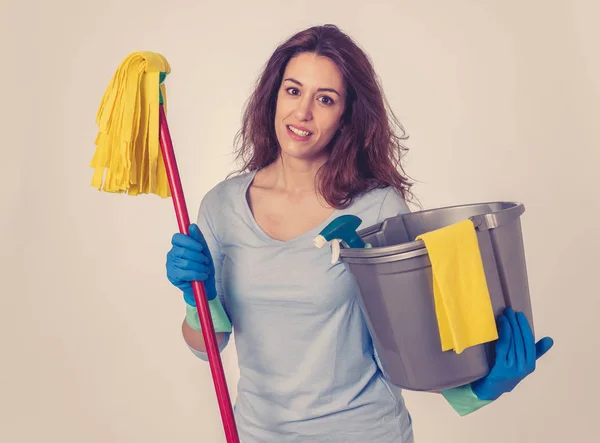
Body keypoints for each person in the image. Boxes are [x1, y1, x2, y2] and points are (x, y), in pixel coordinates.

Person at [166, 24, 553, 443]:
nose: (303, 113)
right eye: (293, 91)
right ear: (273, 95)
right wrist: (196, 299)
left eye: (325, 99)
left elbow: (414, 336)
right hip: (257, 434)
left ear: (346, 116)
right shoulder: (221, 207)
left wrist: (482, 389)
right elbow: (207, 345)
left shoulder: (377, 209)